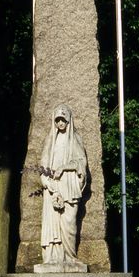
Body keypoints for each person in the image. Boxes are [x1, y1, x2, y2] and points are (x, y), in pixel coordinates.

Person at [39, 104, 87, 264]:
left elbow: (81, 162)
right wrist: (48, 184)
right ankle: (54, 258)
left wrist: (63, 167)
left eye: (63, 120)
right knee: (53, 223)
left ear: (68, 121)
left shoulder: (75, 139)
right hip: (53, 187)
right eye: (57, 120)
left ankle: (70, 257)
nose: (60, 123)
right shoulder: (50, 140)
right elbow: (43, 167)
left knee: (69, 222)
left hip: (70, 184)